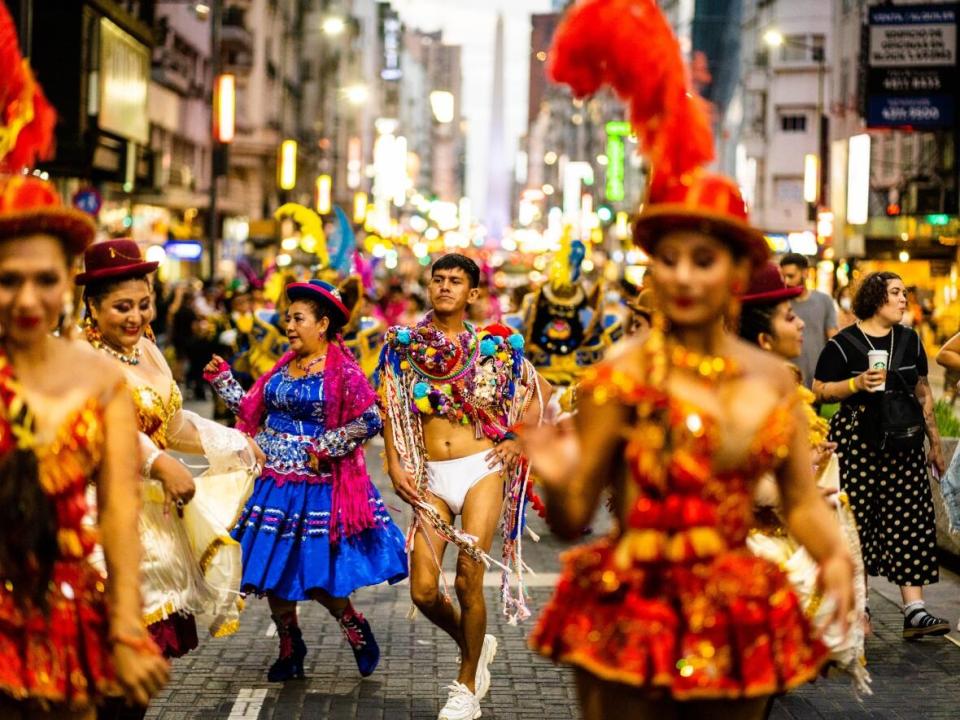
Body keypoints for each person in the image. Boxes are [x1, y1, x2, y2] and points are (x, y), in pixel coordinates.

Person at [0, 82, 170, 720]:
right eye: (7, 280)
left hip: (70, 614)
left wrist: (126, 628)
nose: (26, 299)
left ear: (66, 286)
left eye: (44, 280)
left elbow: (121, 517)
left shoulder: (99, 381)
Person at [205, 280, 408, 682]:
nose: (289, 326)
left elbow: (370, 419)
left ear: (323, 323)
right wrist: (224, 381)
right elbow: (252, 411)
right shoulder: (284, 365)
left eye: (298, 318)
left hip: (315, 486)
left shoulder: (344, 372)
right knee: (272, 571)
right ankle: (290, 647)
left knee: (316, 574)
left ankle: (354, 626)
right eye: (288, 318)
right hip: (272, 483)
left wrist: (326, 445)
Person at [77, 238, 261, 676]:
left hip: (155, 524)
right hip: (98, 521)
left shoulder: (149, 351)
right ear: (93, 307)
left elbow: (172, 426)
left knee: (145, 668)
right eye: (122, 307)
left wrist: (235, 441)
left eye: (144, 304)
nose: (136, 317)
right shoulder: (81, 359)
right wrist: (157, 463)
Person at [376, 253, 549, 720]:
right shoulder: (404, 345)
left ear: (473, 293)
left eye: (456, 281)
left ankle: (466, 685)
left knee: (470, 582)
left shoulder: (494, 345)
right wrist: (395, 464)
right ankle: (474, 641)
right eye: (438, 280)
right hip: (430, 476)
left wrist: (516, 438)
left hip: (481, 470)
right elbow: (390, 405)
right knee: (424, 592)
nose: (445, 287)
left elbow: (539, 390)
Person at [738, 263, 870, 693]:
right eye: (789, 316)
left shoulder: (778, 387)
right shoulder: (741, 390)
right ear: (763, 338)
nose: (801, 324)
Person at [813, 271, 949, 638]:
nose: (904, 299)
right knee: (856, 523)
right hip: (857, 443)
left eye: (904, 292)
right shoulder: (843, 344)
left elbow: (922, 391)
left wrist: (934, 443)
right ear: (876, 299)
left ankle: (915, 610)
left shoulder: (909, 340)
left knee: (912, 519)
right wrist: (855, 384)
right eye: (896, 292)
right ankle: (859, 605)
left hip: (903, 444)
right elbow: (820, 389)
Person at [779, 253, 838, 387]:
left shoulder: (824, 300)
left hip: (819, 377)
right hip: (790, 378)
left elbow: (833, 337)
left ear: (805, 273)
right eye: (784, 277)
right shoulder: (782, 304)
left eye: (791, 276)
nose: (787, 281)